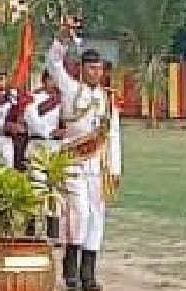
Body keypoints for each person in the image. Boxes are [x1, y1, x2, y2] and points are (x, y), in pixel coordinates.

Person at [46, 22, 122, 291]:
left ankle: (88, 274)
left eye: (100, 68)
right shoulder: (70, 89)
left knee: (96, 216)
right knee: (78, 214)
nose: (96, 73)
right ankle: (71, 271)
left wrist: (114, 168)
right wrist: (61, 40)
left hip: (98, 165)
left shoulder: (108, 99)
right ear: (81, 69)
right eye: (91, 68)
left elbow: (113, 135)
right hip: (73, 162)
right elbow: (54, 63)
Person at [24, 70, 66, 236]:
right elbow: (32, 121)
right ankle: (31, 228)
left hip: (56, 149)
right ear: (44, 80)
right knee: (36, 187)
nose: (53, 83)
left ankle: (53, 231)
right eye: (50, 79)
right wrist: (51, 131)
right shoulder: (32, 98)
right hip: (37, 146)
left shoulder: (63, 100)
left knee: (55, 190)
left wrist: (64, 132)